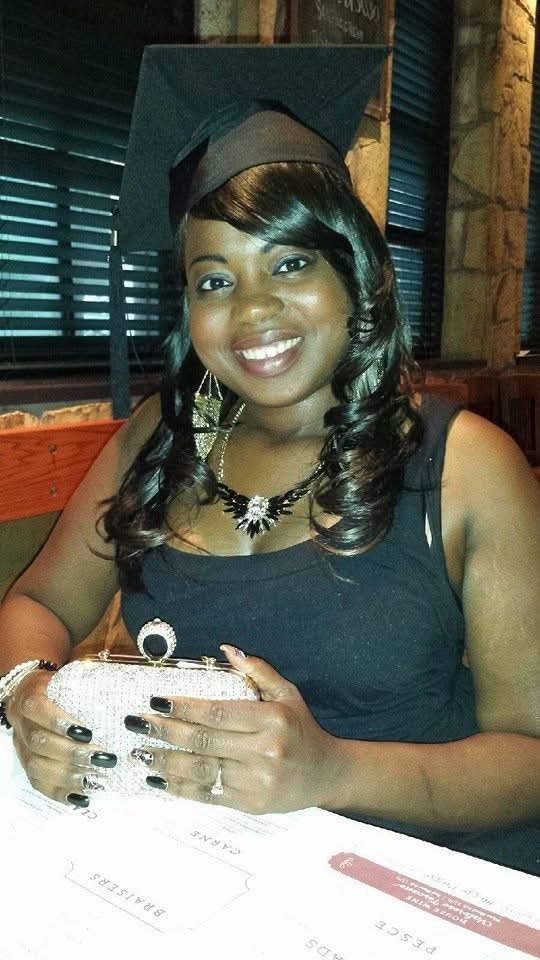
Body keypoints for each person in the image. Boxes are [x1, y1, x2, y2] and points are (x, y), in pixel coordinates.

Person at [0, 45, 539, 876]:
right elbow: (36, 598)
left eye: (289, 264)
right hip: (211, 862)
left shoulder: (466, 468)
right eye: (214, 280)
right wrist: (27, 692)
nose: (252, 310)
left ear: (355, 276)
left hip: (418, 874)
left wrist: (333, 768)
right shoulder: (159, 438)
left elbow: (531, 757)